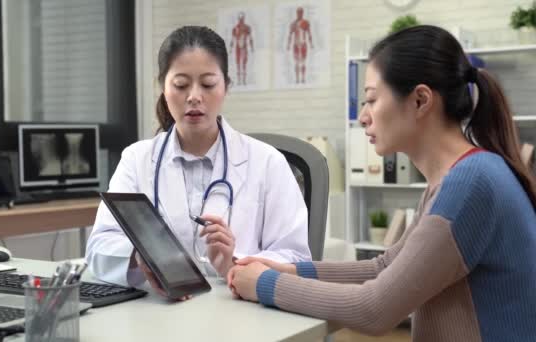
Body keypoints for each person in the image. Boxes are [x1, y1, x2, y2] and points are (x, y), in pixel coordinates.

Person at [228, 25, 536, 341]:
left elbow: (374, 309)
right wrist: (289, 271)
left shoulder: (470, 185)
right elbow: (386, 266)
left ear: (420, 100)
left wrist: (264, 284)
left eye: (372, 100)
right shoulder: (457, 177)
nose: (363, 116)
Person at [86, 26, 311, 299]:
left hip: (243, 318)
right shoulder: (137, 160)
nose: (194, 96)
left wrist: (235, 262)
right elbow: (99, 246)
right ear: (163, 87)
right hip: (159, 318)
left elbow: (296, 258)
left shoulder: (268, 163)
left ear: (226, 86)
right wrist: (138, 257)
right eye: (181, 85)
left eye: (207, 84)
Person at [286, 7, 313, 84]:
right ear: (296, 13)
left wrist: (311, 44)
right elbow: (290, 35)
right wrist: (288, 44)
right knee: (297, 62)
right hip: (296, 45)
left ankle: (303, 78)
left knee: (303, 62)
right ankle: (297, 79)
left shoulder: (306, 23)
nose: (299, 14)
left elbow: (309, 34)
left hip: (303, 44)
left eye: (301, 12)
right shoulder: (293, 24)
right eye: (298, 12)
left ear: (303, 13)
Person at [229, 12, 253, 86]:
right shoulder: (235, 28)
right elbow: (232, 39)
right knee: (238, 63)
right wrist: (231, 48)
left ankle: (244, 80)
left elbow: (250, 38)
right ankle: (239, 80)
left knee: (244, 63)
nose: (241, 20)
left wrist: (252, 47)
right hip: (238, 47)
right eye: (240, 18)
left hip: (244, 47)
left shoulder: (247, 28)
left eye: (242, 18)